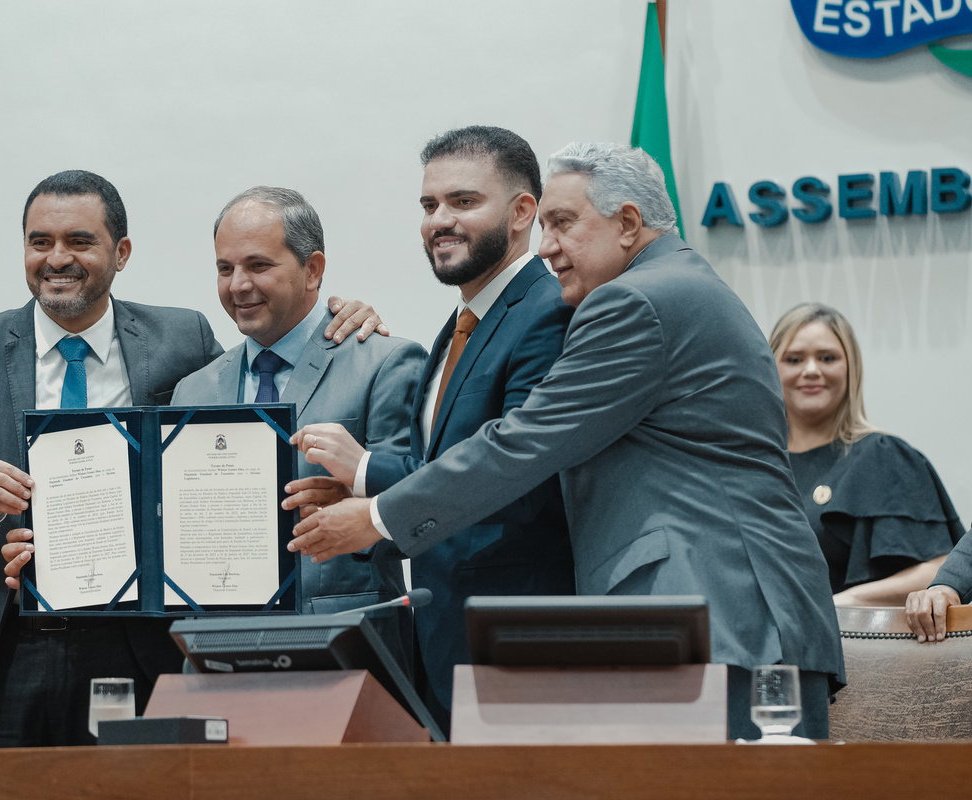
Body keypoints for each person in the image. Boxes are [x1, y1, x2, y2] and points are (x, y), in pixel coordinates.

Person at [288, 142, 845, 739]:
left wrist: (377, 516)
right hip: (733, 616)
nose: (547, 246)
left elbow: (523, 442)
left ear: (628, 223)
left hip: (723, 617)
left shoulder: (634, 301)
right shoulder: (678, 283)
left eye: (563, 224)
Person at [0, 170, 385, 748]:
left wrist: (339, 315)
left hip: (140, 643)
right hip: (2, 641)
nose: (57, 258)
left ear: (120, 252)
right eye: (39, 242)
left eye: (79, 241)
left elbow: (256, 383)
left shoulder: (180, 340)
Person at [9, 185, 427, 666]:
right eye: (224, 269)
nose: (238, 285)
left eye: (258, 266)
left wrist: (360, 490)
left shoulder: (384, 363)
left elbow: (424, 504)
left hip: (349, 646)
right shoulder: (196, 389)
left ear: (313, 270)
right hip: (216, 653)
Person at [284, 126, 574, 732]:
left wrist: (367, 481)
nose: (439, 219)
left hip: (515, 637)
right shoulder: (462, 320)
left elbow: (512, 475)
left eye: (463, 202)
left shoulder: (547, 313)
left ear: (524, 212)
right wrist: (362, 496)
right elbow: (440, 461)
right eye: (428, 205)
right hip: (446, 634)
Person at [769, 303, 962, 606]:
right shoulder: (754, 464)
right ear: (771, 368)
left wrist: (843, 604)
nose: (811, 370)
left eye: (827, 358)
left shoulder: (883, 457)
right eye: (794, 359)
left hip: (851, 646)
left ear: (851, 368)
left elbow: (941, 569)